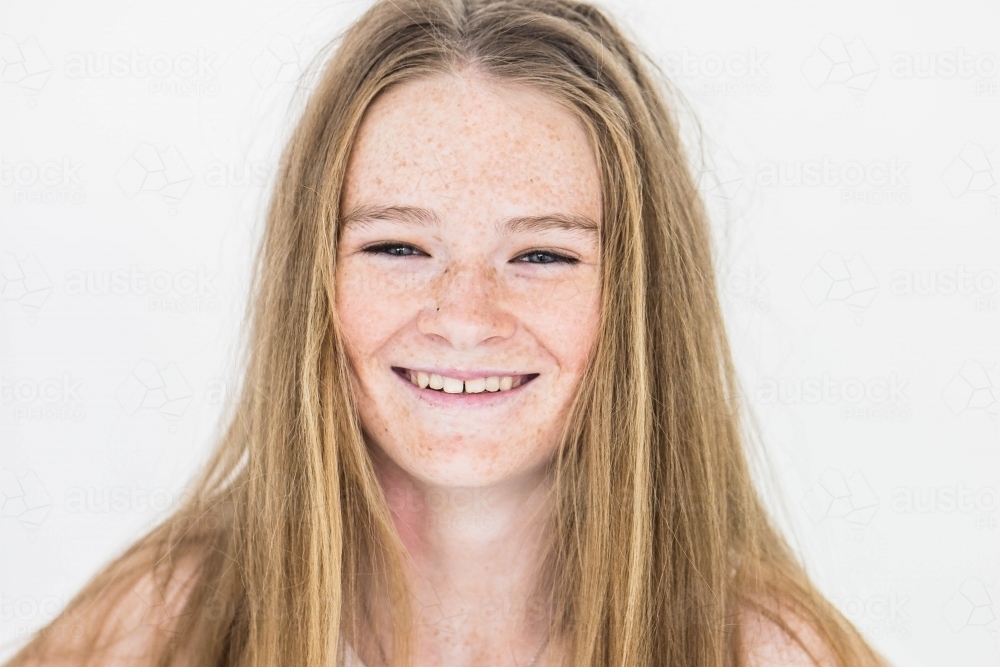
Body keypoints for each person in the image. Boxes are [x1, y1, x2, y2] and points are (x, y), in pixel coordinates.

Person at [3, 0, 892, 665]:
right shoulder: (166, 624)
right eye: (397, 246)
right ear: (314, 282)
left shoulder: (768, 651)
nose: (465, 316)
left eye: (542, 255)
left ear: (640, 300)